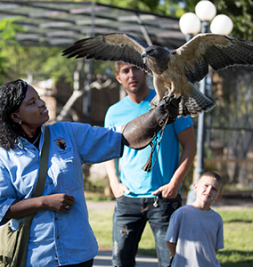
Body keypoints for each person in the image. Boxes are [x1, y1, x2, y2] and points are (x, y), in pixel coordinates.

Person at [0, 79, 180, 267]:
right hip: (35, 256)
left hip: (77, 252)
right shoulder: (2, 159)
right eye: (32, 102)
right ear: (15, 116)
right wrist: (45, 202)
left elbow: (119, 135)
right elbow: (3, 209)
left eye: (39, 98)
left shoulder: (67, 133)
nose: (41, 103)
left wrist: (154, 117)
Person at [104, 62, 197, 267]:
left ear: (146, 71)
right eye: (125, 71)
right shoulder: (113, 112)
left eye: (135, 68)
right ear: (118, 78)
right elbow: (108, 150)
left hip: (164, 198)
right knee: (120, 262)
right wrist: (114, 183)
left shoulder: (170, 103)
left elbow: (190, 145)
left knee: (171, 262)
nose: (132, 75)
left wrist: (175, 183)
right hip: (127, 199)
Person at [165, 171, 224, 267]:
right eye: (206, 185)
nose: (209, 190)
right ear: (195, 187)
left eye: (214, 189)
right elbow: (170, 241)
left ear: (219, 196)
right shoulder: (181, 214)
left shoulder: (217, 219)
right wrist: (181, 259)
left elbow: (215, 247)